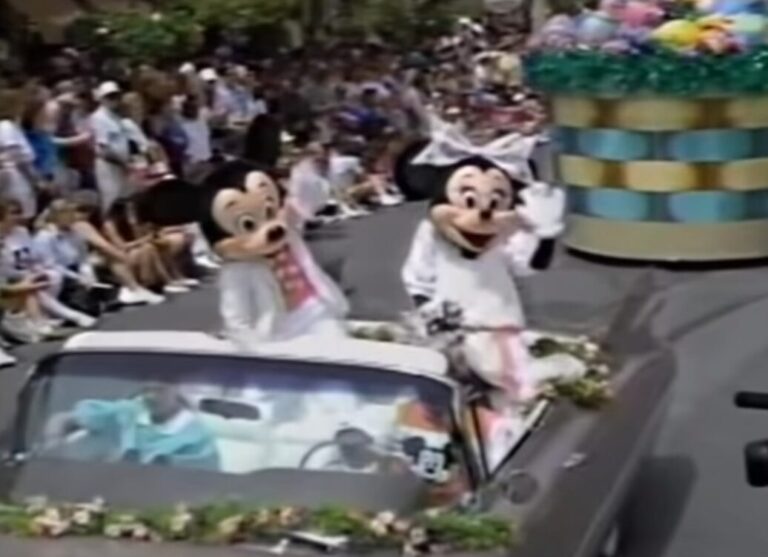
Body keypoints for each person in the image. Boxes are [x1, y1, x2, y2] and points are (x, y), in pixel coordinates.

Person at [43, 384, 220, 470]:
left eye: (159, 390)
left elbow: (200, 487)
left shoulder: (197, 437)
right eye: (146, 390)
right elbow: (61, 419)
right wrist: (53, 443)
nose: (150, 396)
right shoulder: (128, 410)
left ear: (177, 390)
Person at [69, 194, 165, 306]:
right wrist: (120, 255)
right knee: (113, 257)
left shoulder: (93, 222)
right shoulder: (80, 225)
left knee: (146, 249)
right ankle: (134, 289)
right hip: (81, 260)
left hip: (86, 256)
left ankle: (142, 286)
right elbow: (101, 245)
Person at [102, 198, 190, 295]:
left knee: (160, 244)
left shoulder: (133, 222)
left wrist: (138, 228)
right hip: (123, 254)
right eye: (130, 210)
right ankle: (166, 281)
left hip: (138, 248)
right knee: (148, 248)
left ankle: (176, 276)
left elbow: (143, 236)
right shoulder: (110, 225)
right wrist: (145, 240)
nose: (132, 212)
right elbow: (122, 246)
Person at [90, 82, 134, 214]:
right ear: (102, 98)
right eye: (110, 96)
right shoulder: (98, 118)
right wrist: (124, 163)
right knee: (110, 201)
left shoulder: (115, 117)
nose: (114, 100)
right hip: (108, 166)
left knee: (125, 200)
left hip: (122, 165)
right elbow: (103, 149)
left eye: (116, 96)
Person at [0, 89, 43, 222]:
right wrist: (37, 179)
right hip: (15, 179)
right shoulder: (5, 126)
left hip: (23, 179)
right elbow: (16, 157)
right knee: (18, 218)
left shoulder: (14, 127)